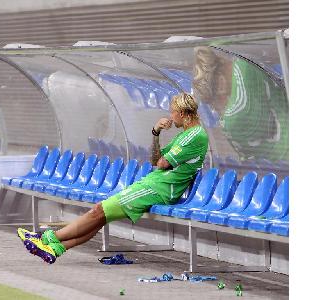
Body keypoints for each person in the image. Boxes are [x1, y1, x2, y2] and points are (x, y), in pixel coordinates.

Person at [17, 93, 209, 264]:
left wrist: (162, 159)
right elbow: (154, 160)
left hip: (160, 188)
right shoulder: (185, 135)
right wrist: (155, 132)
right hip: (155, 184)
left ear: (183, 114)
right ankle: (56, 249)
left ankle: (46, 238)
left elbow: (162, 164)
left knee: (99, 210)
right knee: (101, 217)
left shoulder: (194, 135)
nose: (171, 116)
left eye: (173, 112)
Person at [192, 46, 288, 162]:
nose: (214, 110)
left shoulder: (236, 114)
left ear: (221, 84)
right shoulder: (243, 63)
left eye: (214, 103)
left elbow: (233, 121)